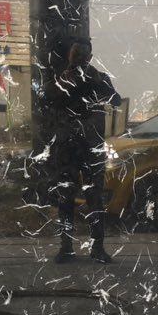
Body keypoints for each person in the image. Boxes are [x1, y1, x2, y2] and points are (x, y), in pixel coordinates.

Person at [45, 41, 121, 264]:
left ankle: (97, 248)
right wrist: (61, 83)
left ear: (89, 57)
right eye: (75, 53)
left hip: (90, 147)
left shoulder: (99, 78)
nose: (78, 58)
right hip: (67, 148)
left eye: (81, 54)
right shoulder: (60, 79)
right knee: (65, 198)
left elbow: (116, 100)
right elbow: (46, 100)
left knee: (95, 198)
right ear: (70, 56)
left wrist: (97, 81)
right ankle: (66, 247)